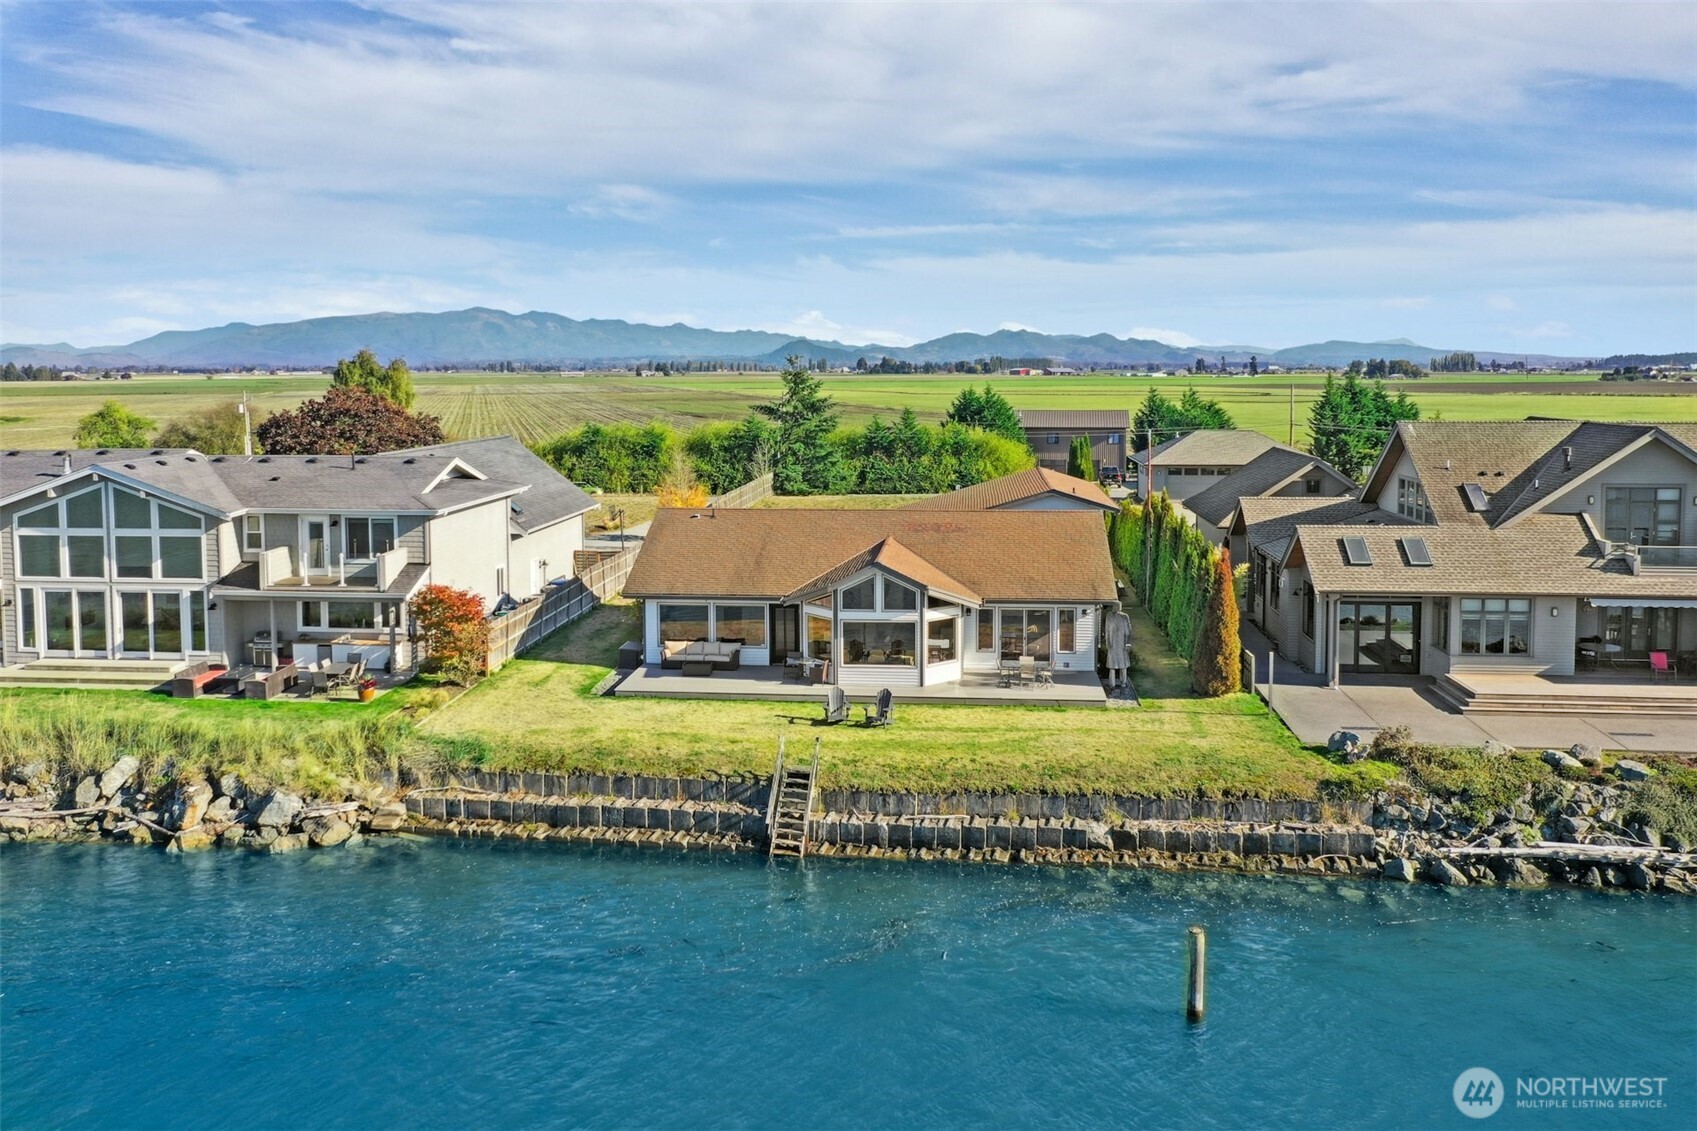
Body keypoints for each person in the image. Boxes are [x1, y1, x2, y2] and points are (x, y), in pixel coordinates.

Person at [1104, 601, 1133, 690]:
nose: (1117, 608)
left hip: (1122, 645)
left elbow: (1128, 631)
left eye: (1118, 606)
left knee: (1123, 665)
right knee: (1112, 665)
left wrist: (1128, 643)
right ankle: (1111, 684)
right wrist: (1107, 642)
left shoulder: (1124, 617)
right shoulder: (1109, 616)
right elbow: (1107, 630)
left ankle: (1123, 682)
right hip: (1112, 645)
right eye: (1115, 606)